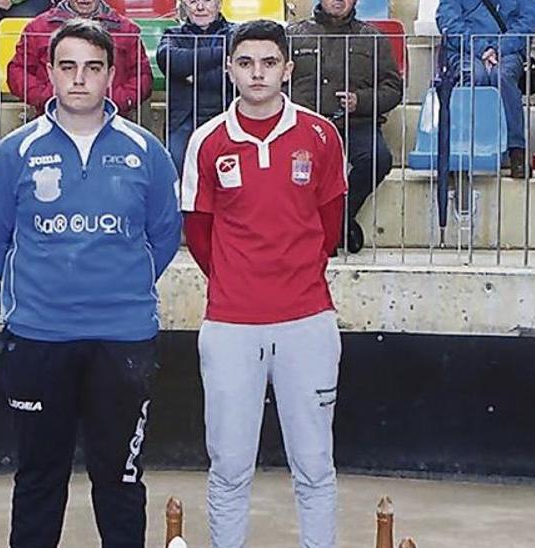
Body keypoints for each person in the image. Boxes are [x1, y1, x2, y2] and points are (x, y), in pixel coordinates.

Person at [0, 18, 182, 548]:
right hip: (39, 338)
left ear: (112, 74)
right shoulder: (14, 153)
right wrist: (47, 291)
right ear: (49, 73)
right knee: (40, 478)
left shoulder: (146, 152)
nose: (80, 80)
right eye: (68, 67)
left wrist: (116, 287)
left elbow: (162, 236)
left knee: (120, 480)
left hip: (123, 341)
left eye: (93, 68)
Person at [181, 19, 347, 548]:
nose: (258, 73)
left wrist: (288, 279)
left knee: (315, 463)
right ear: (229, 69)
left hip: (308, 322)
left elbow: (330, 226)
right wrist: (242, 282)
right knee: (229, 465)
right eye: (246, 62)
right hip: (231, 324)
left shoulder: (321, 134)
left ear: (288, 70)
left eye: (269, 62)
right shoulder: (206, 142)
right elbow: (199, 233)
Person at [287, 0, 402, 253]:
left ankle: (337, 221)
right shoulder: (293, 35)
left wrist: (361, 101)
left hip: (356, 123)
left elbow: (394, 89)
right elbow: (277, 82)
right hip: (306, 125)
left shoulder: (373, 38)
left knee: (378, 158)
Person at [437, 0, 535, 179]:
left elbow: (528, 22)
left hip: (507, 50)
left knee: (502, 76)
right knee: (475, 75)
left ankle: (517, 151)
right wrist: (481, 49)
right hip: (465, 50)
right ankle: (461, 145)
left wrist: (498, 49)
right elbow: (449, 21)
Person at [7, 0, 153, 116]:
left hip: (113, 118)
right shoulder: (37, 28)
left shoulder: (128, 30)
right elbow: (17, 71)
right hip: (50, 117)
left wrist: (114, 100)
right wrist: (49, 96)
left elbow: (142, 75)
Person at [156, 0, 236, 170]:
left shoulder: (236, 35)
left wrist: (191, 74)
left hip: (227, 118)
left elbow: (236, 75)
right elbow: (170, 60)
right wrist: (224, 53)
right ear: (184, 5)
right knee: (177, 175)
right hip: (183, 122)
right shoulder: (172, 35)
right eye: (193, 1)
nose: (200, 7)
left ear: (219, 4)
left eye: (207, 1)